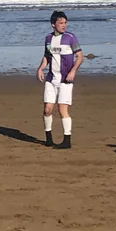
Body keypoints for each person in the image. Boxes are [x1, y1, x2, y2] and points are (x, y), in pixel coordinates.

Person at [36, 10, 83, 149]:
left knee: (62, 109)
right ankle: (48, 138)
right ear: (53, 24)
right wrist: (40, 68)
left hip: (65, 79)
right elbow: (47, 56)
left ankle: (67, 140)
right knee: (47, 110)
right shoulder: (48, 39)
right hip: (51, 79)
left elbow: (80, 56)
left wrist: (73, 71)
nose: (64, 25)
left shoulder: (70, 38)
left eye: (65, 23)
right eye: (61, 22)